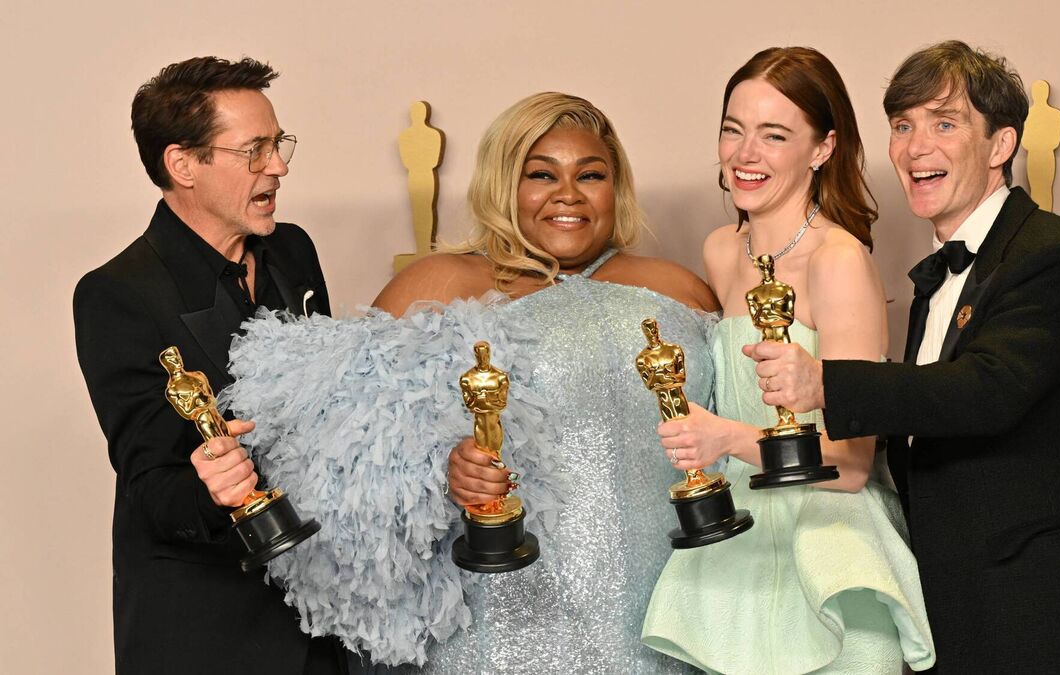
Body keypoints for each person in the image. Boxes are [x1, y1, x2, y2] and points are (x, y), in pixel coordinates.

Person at [222, 92, 719, 672]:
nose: (568, 193)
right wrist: (443, 470)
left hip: (666, 621)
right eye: (541, 174)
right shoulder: (439, 283)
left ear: (616, 187)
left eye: (591, 175)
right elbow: (345, 471)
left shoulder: (680, 289)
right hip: (502, 630)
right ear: (504, 184)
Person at [745, 40, 1060, 673]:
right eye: (902, 126)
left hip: (1047, 615)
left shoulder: (1051, 251)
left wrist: (825, 382)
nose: (916, 147)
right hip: (964, 611)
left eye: (945, 124)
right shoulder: (940, 277)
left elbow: (985, 390)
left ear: (1001, 146)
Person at [640, 47, 936, 674]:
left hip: (830, 550)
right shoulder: (722, 250)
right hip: (739, 552)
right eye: (733, 129)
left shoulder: (838, 260)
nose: (745, 154)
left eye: (774, 135)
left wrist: (727, 438)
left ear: (822, 148)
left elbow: (852, 464)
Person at [73, 56, 343, 674]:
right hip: (210, 635)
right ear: (183, 165)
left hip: (323, 619)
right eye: (254, 151)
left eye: (278, 144)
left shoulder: (293, 250)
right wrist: (210, 488)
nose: (277, 167)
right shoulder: (117, 294)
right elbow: (151, 486)